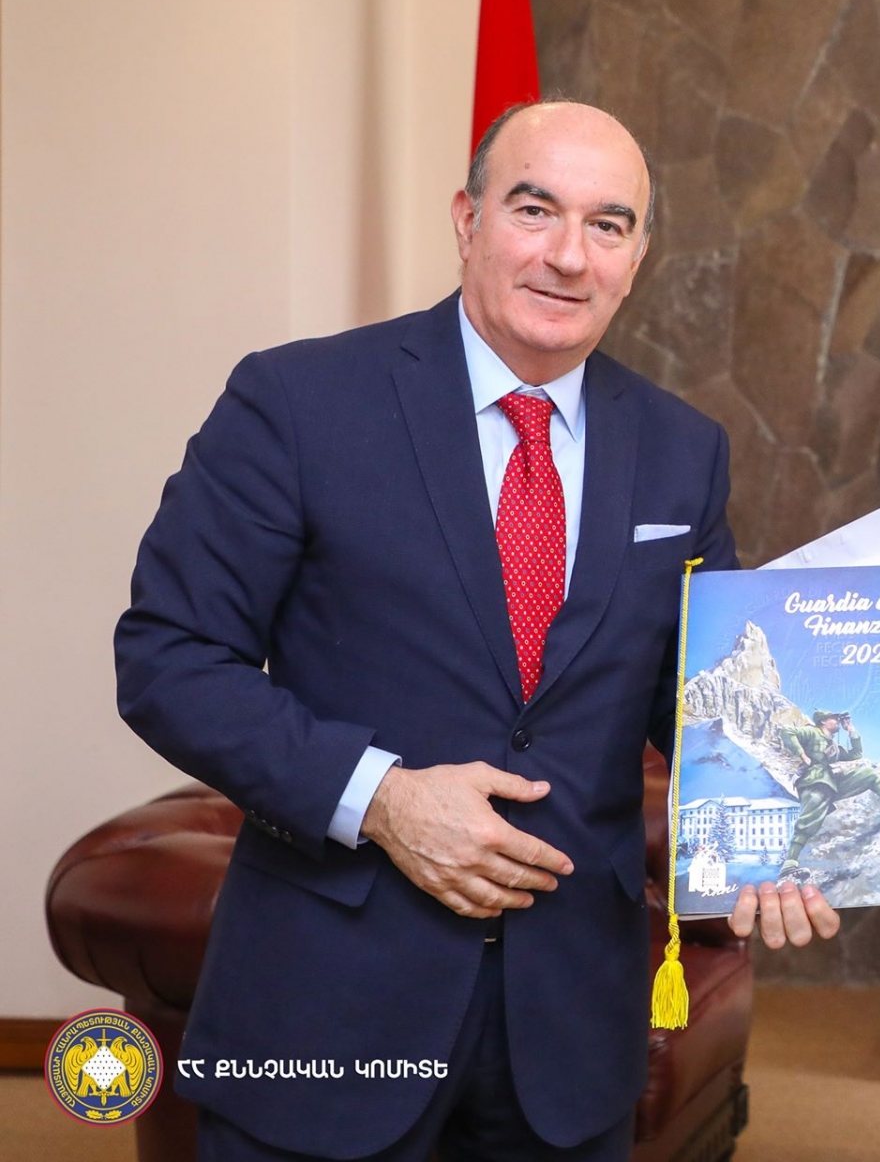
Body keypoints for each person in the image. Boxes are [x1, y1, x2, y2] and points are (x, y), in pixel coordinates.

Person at [115, 100, 834, 1162]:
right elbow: (169, 657)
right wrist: (381, 798)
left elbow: (697, 699)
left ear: (638, 256)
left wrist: (787, 826)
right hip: (330, 1003)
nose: (568, 255)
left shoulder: (684, 450)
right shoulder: (298, 401)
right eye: (534, 210)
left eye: (607, 224)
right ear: (467, 219)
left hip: (568, 1031)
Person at [774, 709, 880, 880]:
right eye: (834, 718)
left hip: (831, 784)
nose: (838, 721)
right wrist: (802, 755)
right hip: (814, 783)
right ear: (823, 721)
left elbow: (856, 754)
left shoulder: (833, 745)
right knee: (807, 822)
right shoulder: (812, 732)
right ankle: (789, 864)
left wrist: (851, 729)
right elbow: (787, 731)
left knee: (868, 774)